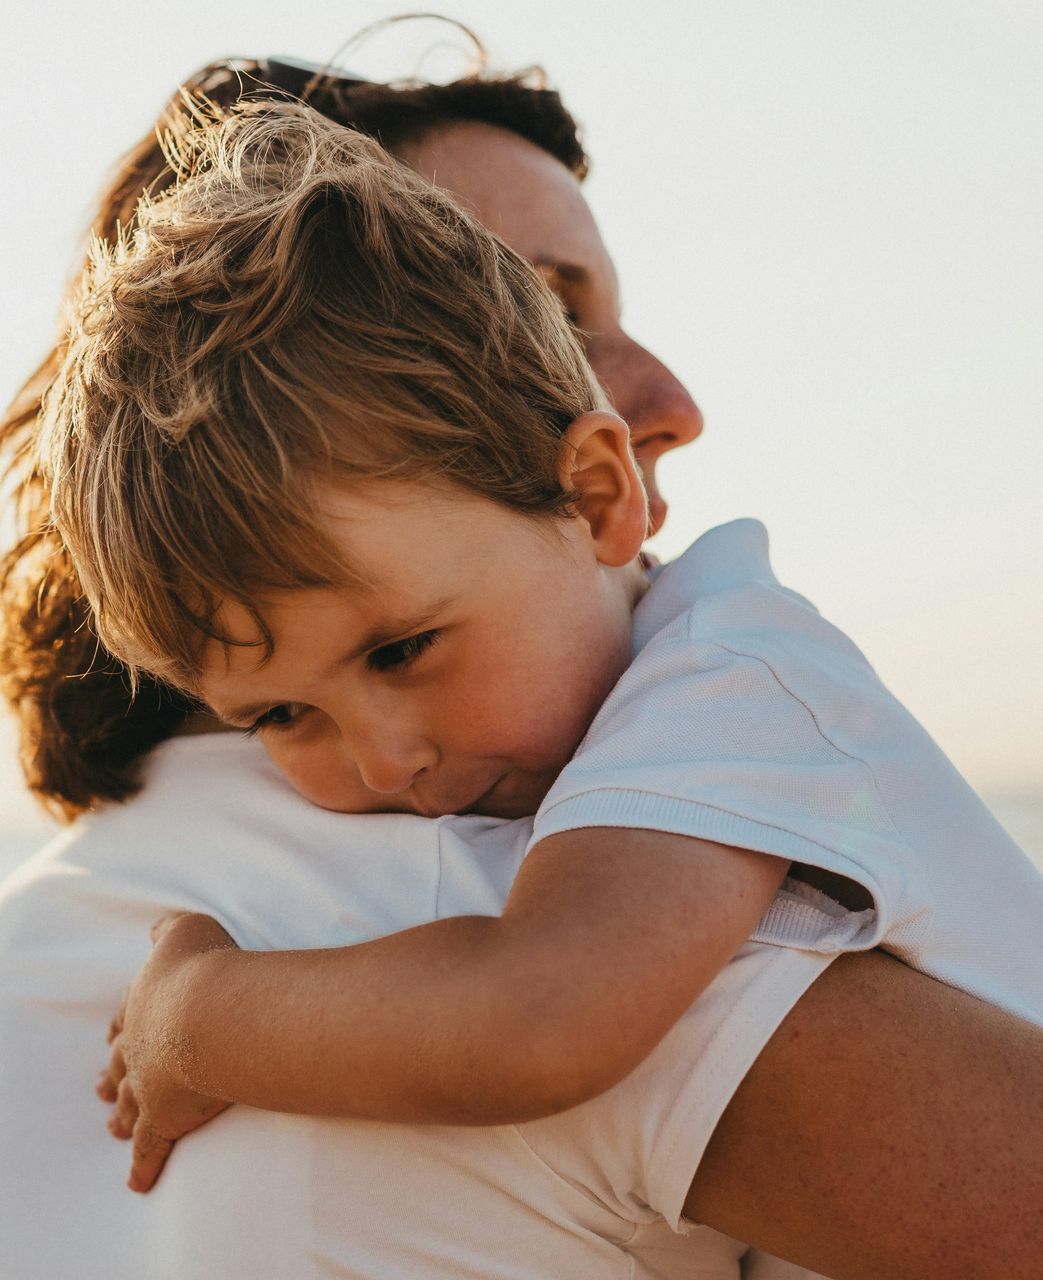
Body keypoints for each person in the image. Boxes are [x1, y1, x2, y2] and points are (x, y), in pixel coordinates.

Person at [1, 51, 1040, 1280]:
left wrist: (200, 1016)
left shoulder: (721, 677)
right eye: (541, 303)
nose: (383, 758)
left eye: (402, 649)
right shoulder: (488, 873)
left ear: (587, 489)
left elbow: (539, 1011)